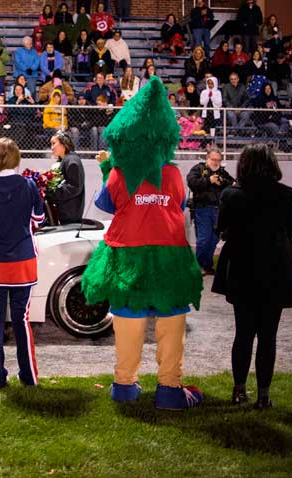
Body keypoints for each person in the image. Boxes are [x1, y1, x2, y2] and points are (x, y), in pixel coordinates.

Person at [83, 77, 203, 410]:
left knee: (129, 320)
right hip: (168, 256)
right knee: (171, 321)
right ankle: (169, 389)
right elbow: (177, 206)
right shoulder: (175, 175)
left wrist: (109, 168)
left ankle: (124, 385)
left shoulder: (119, 174)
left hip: (128, 255)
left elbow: (106, 205)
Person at [212, 144, 292, 409]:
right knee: (268, 335)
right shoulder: (285, 194)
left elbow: (222, 229)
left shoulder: (231, 194)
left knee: (243, 333)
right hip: (275, 268)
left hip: (242, 268)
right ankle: (264, 395)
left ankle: (239, 391)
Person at [0, 137, 43, 389]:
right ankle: (29, 376)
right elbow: (39, 217)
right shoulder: (29, 185)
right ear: (16, 158)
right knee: (21, 319)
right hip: (23, 260)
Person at [186, 148, 235, 275]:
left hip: (219, 210)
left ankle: (207, 265)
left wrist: (222, 182)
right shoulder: (198, 169)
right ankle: (199, 266)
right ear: (207, 159)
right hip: (203, 208)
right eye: (213, 159)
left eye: (218, 160)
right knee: (204, 239)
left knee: (214, 239)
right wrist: (209, 180)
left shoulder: (222, 172)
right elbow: (192, 182)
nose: (216, 162)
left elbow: (233, 183)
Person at [45, 131, 84, 224]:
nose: (52, 147)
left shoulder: (72, 161)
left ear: (64, 143)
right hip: (66, 212)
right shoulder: (66, 160)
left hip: (69, 215)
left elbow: (74, 187)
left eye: (54, 143)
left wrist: (52, 193)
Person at [7, 82, 36, 147]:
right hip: (16, 123)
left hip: (27, 123)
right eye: (16, 90)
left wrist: (33, 103)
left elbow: (33, 112)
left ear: (23, 91)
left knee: (30, 128)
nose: (18, 91)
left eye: (20, 89)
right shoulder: (11, 100)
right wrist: (17, 102)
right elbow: (10, 111)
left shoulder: (27, 100)